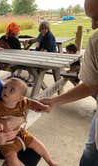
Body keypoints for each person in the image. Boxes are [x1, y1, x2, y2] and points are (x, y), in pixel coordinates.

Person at [40, 0, 98, 165]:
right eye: (91, 19)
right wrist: (54, 101)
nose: (93, 26)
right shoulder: (96, 42)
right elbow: (91, 85)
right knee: (90, 154)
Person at [0, 78, 58, 166]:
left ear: (20, 98)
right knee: (11, 157)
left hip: (20, 133)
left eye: (12, 90)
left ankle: (50, 161)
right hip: (6, 139)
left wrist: (43, 107)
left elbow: (32, 103)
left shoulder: (22, 103)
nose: (6, 90)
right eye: (5, 87)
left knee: (36, 143)